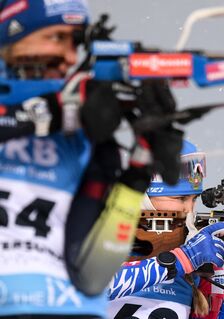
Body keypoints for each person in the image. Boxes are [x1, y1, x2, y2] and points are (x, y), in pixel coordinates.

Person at [0, 0, 183, 317]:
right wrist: (50, 111)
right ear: (12, 31)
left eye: (76, 41)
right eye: (57, 37)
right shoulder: (59, 111)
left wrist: (137, 171)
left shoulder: (79, 134)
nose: (71, 56)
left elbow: (94, 275)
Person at [107, 140, 224, 319]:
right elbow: (85, 288)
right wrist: (181, 260)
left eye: (194, 199)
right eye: (180, 198)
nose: (189, 209)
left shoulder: (194, 269)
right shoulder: (90, 239)